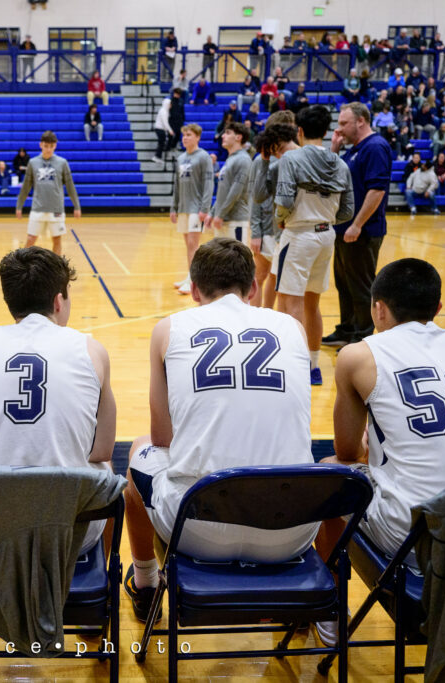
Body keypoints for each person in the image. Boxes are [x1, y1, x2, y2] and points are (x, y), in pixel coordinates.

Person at [316, 257, 445, 644]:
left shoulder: (358, 355)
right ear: (438, 308)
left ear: (378, 308)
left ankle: (330, 610)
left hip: (419, 539)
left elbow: (346, 450)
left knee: (331, 472)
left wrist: (374, 448)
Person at [122, 238, 317, 621]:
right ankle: (309, 613)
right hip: (292, 529)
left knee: (139, 450)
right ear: (254, 288)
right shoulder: (293, 327)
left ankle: (145, 584)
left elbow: (162, 438)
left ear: (194, 290)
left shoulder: (170, 328)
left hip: (199, 528)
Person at [0, 246, 116, 554]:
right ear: (58, 301)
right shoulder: (92, 350)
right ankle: (107, 573)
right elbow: (102, 449)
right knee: (105, 469)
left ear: (10, 302)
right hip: (67, 533)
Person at [274, 105, 354, 386]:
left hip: (299, 234)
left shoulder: (291, 158)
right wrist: (325, 218)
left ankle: (293, 365)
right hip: (326, 235)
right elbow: (348, 210)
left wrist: (281, 219)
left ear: (300, 131)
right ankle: (313, 365)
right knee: (312, 304)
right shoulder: (340, 164)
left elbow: (284, 200)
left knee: (291, 303)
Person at [325, 102, 391, 347]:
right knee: (344, 284)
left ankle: (362, 335)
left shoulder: (375, 147)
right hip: (344, 229)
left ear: (361, 121)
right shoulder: (354, 150)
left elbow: (377, 190)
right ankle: (347, 329)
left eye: (344, 123)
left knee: (361, 286)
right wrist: (334, 149)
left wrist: (357, 224)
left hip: (362, 231)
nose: (339, 129)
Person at [250, 113, 299, 309]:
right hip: (267, 227)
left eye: (292, 126)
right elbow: (255, 198)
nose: (290, 131)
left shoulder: (296, 155)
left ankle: (268, 313)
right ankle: (255, 316)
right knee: (260, 275)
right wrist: (256, 232)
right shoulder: (261, 160)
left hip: (286, 227)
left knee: (276, 276)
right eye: (286, 126)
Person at [15, 131, 80, 256]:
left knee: (57, 240)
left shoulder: (62, 162)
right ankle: (22, 265)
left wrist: (76, 206)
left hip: (56, 209)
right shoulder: (33, 162)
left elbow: (70, 186)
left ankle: (56, 267)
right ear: (41, 145)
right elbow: (26, 186)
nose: (48, 149)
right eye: (46, 146)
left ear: (55, 145)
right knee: (30, 239)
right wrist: (19, 206)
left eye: (51, 146)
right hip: (37, 208)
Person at [169, 123, 215, 294]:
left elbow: (208, 184)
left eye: (189, 135)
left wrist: (205, 208)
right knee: (187, 245)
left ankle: (194, 281)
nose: (185, 138)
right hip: (183, 207)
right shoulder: (181, 158)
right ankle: (190, 276)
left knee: (193, 245)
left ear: (197, 137)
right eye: (184, 135)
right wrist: (174, 207)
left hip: (197, 208)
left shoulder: (203, 157)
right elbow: (177, 185)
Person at [209, 122, 253, 245]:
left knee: (238, 256)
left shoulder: (243, 159)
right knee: (222, 257)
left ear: (238, 137)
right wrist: (212, 213)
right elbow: (222, 192)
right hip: (223, 218)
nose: (223, 136)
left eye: (228, 133)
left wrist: (220, 214)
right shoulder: (230, 159)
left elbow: (235, 191)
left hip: (236, 220)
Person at [152, 97, 173, 163]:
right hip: (159, 128)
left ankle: (158, 156)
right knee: (161, 143)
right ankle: (157, 157)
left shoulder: (165, 111)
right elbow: (165, 122)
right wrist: (170, 130)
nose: (171, 105)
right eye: (170, 104)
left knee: (161, 143)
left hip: (160, 129)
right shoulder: (163, 111)